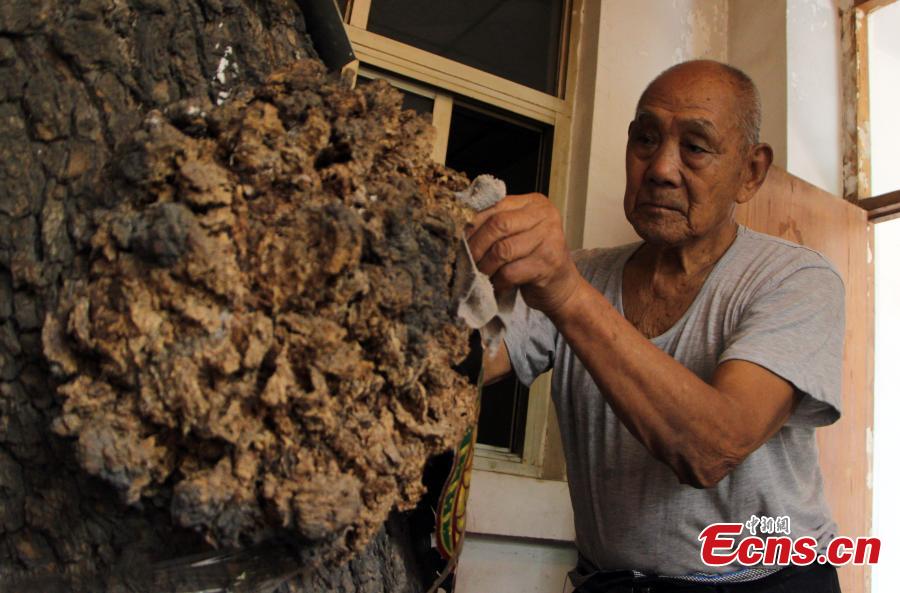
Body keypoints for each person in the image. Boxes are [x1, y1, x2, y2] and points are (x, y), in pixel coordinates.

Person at [468, 60, 844, 592]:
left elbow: (713, 448)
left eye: (695, 147)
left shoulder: (795, 279)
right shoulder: (583, 273)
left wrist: (569, 295)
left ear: (751, 172)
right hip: (614, 582)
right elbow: (459, 364)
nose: (661, 167)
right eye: (645, 139)